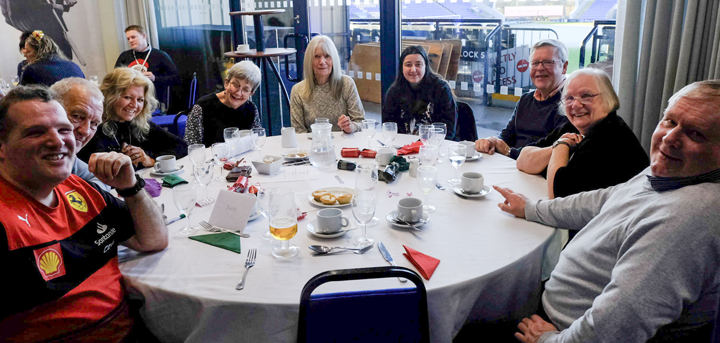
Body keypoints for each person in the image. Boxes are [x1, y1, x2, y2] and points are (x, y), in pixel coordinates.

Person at [494, 80, 720, 343]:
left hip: (561, 327)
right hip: (555, 308)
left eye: (696, 134)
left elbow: (614, 329)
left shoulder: (686, 219)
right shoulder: (676, 172)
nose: (669, 139)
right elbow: (605, 199)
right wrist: (532, 208)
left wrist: (547, 340)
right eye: (670, 121)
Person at [0, 86, 167, 342]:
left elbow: (153, 240)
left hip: (128, 330)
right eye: (35, 132)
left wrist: (131, 187)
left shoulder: (81, 188)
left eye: (63, 129)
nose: (59, 141)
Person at [516, 68, 648, 199]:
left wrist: (561, 146)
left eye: (586, 96)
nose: (576, 104)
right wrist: (556, 147)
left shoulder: (610, 136)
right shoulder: (573, 127)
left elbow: (558, 198)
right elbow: (523, 160)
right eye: (569, 98)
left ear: (608, 97)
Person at [475, 39, 569, 159]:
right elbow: (507, 135)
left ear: (564, 67)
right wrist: (492, 142)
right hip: (514, 165)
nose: (540, 68)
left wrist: (509, 151)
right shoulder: (526, 99)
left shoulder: (571, 103)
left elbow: (551, 151)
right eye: (535, 63)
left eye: (548, 62)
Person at [78, 68, 187, 169]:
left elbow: (181, 146)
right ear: (109, 97)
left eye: (140, 100)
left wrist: (151, 159)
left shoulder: (138, 123)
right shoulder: (93, 129)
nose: (135, 105)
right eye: (128, 97)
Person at [290, 35, 365, 134]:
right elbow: (298, 132)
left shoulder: (347, 84)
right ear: (309, 61)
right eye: (317, 57)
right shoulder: (298, 90)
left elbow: (361, 122)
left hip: (344, 144)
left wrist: (351, 127)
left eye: (327, 56)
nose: (322, 62)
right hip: (313, 145)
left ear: (334, 60)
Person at [382, 45, 457, 140]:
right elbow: (388, 126)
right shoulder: (394, 91)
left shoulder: (441, 89)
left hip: (434, 147)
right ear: (401, 67)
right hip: (403, 146)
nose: (413, 69)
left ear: (426, 66)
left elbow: (448, 130)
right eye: (408, 65)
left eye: (418, 64)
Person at [50, 77, 109, 191]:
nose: (85, 131)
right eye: (77, 116)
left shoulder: (68, 156)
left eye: (94, 123)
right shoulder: (28, 156)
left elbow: (100, 179)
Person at [185, 60, 262, 146]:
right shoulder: (202, 107)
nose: (238, 93)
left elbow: (257, 141)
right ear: (226, 83)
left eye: (245, 89)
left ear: (251, 94)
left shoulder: (251, 109)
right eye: (236, 85)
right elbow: (191, 146)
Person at [115, 25, 180, 112]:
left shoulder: (160, 55)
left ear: (144, 36)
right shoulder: (124, 56)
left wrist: (155, 78)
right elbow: (114, 78)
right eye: (128, 38)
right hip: (128, 100)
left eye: (133, 37)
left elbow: (176, 79)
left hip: (153, 101)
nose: (130, 40)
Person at [19, 30, 84, 87]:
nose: (25, 55)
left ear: (39, 51)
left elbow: (23, 98)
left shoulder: (32, 70)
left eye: (28, 51)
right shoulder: (74, 66)